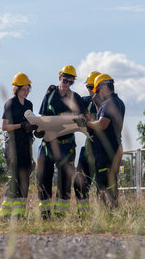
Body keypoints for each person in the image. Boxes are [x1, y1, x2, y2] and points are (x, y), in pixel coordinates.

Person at [36, 65, 86, 218]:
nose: (67, 85)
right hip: (48, 145)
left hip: (67, 146)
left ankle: (60, 216)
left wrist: (80, 120)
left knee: (64, 182)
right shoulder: (50, 96)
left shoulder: (75, 98)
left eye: (71, 82)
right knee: (43, 180)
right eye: (65, 81)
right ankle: (45, 215)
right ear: (59, 78)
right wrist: (38, 128)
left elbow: (83, 118)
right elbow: (42, 117)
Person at [0, 72, 38, 219]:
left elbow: (31, 122)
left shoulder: (29, 105)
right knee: (13, 177)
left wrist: (33, 127)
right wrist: (21, 126)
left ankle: (19, 214)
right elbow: (4, 126)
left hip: (26, 144)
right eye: (24, 89)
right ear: (17, 89)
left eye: (28, 89)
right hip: (13, 145)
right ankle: (6, 214)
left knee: (25, 177)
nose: (26, 92)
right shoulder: (10, 103)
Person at [86, 73, 125, 207]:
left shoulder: (108, 103)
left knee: (103, 182)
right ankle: (112, 211)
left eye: (97, 90)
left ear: (103, 87)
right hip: (115, 148)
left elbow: (102, 124)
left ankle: (106, 211)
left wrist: (86, 123)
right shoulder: (119, 102)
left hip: (106, 151)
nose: (97, 94)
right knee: (111, 180)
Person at [73, 71, 100, 216]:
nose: (90, 90)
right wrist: (56, 92)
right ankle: (83, 215)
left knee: (103, 186)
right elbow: (73, 99)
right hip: (88, 147)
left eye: (92, 87)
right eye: (89, 87)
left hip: (102, 150)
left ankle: (105, 216)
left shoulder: (110, 105)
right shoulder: (86, 101)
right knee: (79, 182)